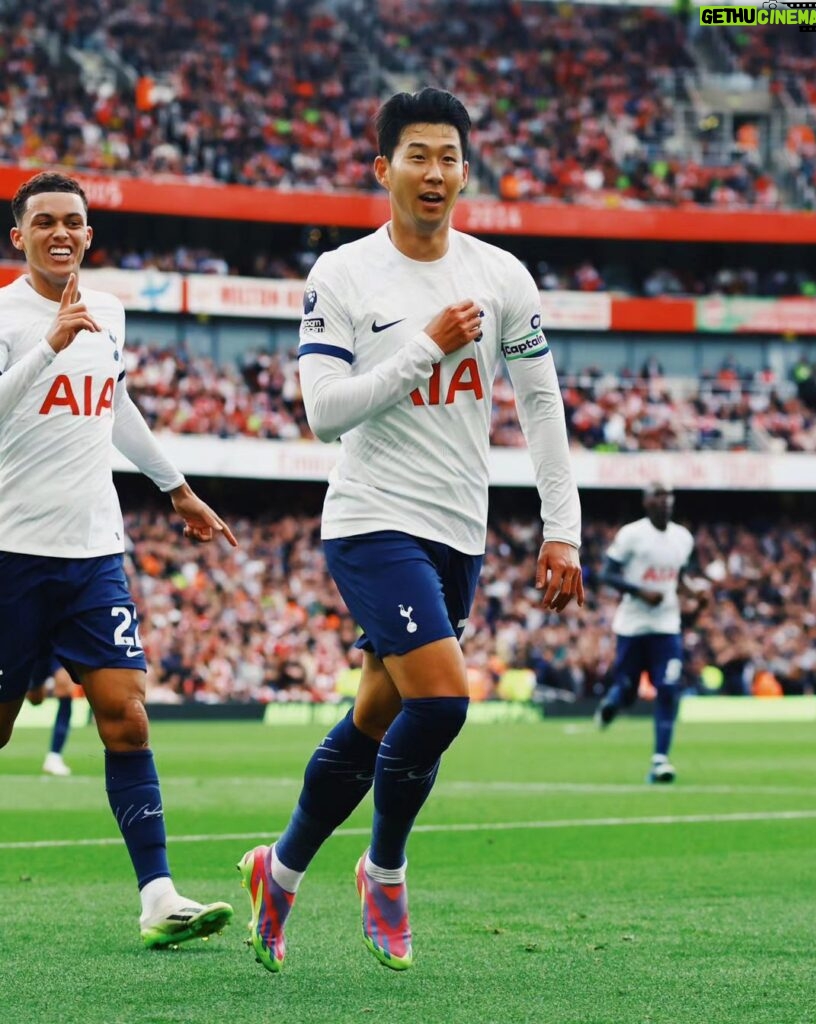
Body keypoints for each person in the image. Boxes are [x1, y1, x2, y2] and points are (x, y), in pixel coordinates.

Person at [237, 87, 584, 973]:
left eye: (451, 157)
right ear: (382, 168)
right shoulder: (342, 274)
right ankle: (383, 872)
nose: (436, 173)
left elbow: (539, 405)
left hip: (455, 529)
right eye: (418, 156)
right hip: (369, 519)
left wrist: (562, 531)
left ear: (466, 170)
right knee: (441, 700)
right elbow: (323, 413)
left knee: (371, 720)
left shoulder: (501, 275)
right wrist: (425, 345)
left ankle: (276, 870)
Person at [0, 171, 238, 949]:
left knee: (126, 719)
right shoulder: (6, 315)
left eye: (73, 221)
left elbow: (115, 402)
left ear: (89, 235)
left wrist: (176, 487)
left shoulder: (110, 311)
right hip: (11, 553)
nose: (60, 233)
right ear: (20, 236)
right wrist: (45, 346)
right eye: (45, 223)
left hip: (93, 551)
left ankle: (159, 896)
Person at [595, 482, 709, 783]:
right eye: (658, 495)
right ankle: (614, 702)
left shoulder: (682, 538)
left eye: (669, 495)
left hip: (666, 626)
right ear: (646, 502)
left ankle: (660, 761)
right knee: (630, 690)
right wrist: (640, 591)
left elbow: (678, 577)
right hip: (632, 626)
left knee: (668, 688)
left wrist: (694, 593)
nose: (665, 501)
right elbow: (606, 574)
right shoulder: (632, 535)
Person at [26, 654, 76, 776]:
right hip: (35, 646)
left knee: (65, 689)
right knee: (35, 699)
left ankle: (54, 757)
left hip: (58, 646)